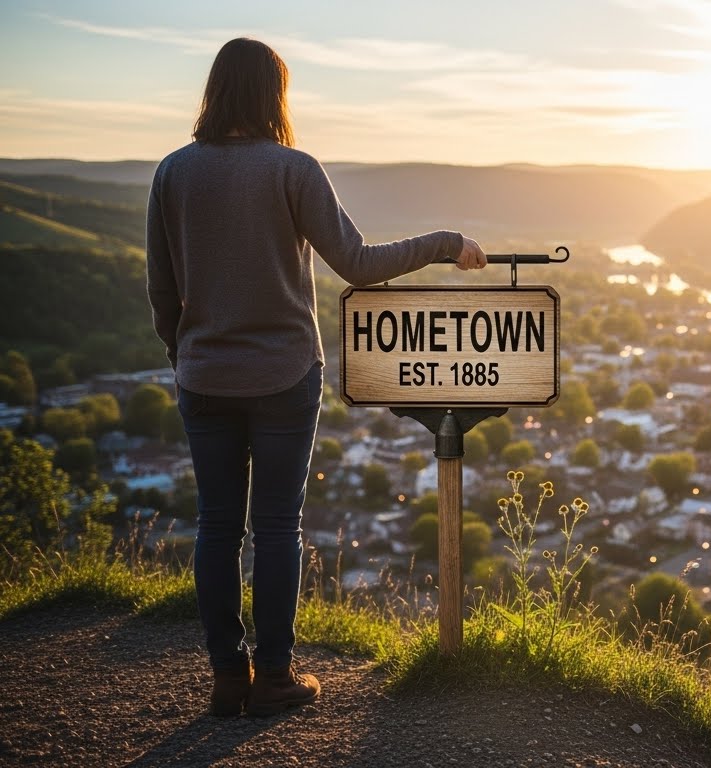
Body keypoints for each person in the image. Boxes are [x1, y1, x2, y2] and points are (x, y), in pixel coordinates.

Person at [145, 37, 487, 717]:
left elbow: (162, 289)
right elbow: (358, 264)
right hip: (282, 376)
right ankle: (273, 678)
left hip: (204, 376)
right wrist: (444, 244)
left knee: (216, 526)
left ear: (214, 90)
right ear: (275, 94)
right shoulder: (292, 168)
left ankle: (225, 677)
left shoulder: (172, 173)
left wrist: (185, 355)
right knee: (275, 526)